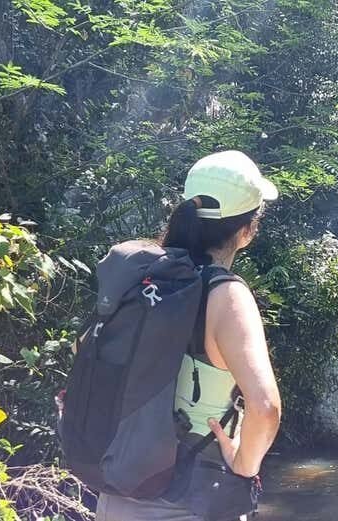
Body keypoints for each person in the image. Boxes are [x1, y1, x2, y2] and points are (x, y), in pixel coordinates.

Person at [95, 150, 282, 521]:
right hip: (191, 500)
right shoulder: (226, 296)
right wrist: (245, 466)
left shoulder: (140, 274)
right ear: (247, 230)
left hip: (117, 491)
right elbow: (265, 408)